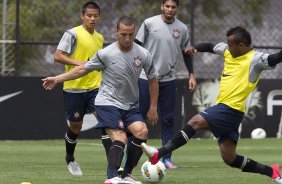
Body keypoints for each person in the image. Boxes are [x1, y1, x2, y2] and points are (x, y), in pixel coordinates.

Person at [141, 26, 282, 183]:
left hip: (230, 109)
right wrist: (194, 48)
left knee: (195, 122)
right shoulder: (227, 50)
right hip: (229, 111)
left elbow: (276, 58)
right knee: (230, 158)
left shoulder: (256, 59)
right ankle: (272, 171)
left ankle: (158, 154)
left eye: (230, 44)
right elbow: (209, 46)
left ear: (241, 45)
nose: (227, 46)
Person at [43, 16, 159, 184]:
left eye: (131, 35)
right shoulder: (106, 53)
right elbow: (82, 69)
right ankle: (111, 177)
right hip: (107, 102)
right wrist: (57, 78)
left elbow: (153, 80)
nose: (127, 39)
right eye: (123, 34)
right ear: (116, 32)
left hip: (131, 105)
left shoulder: (143, 54)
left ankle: (126, 175)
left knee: (142, 132)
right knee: (120, 137)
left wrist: (153, 106)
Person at [133, 0, 196, 169]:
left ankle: (166, 159)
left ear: (177, 9)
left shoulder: (182, 28)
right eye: (167, 6)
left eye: (173, 6)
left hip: (168, 80)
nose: (169, 9)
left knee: (168, 120)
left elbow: (186, 52)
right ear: (162, 7)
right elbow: (136, 47)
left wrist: (191, 74)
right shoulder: (148, 23)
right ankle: (131, 157)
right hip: (146, 78)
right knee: (139, 119)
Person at [52, 2, 111, 176]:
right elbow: (58, 55)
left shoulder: (99, 38)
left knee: (106, 124)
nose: (92, 18)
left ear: (99, 17)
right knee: (76, 127)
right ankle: (70, 157)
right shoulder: (72, 34)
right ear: (82, 16)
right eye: (89, 15)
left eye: (95, 16)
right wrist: (78, 63)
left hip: (96, 88)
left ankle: (114, 166)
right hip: (74, 88)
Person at [192, 79, 263, 138]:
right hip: (211, 135)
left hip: (242, 134)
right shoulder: (203, 87)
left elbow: (253, 116)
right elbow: (200, 116)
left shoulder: (250, 86)